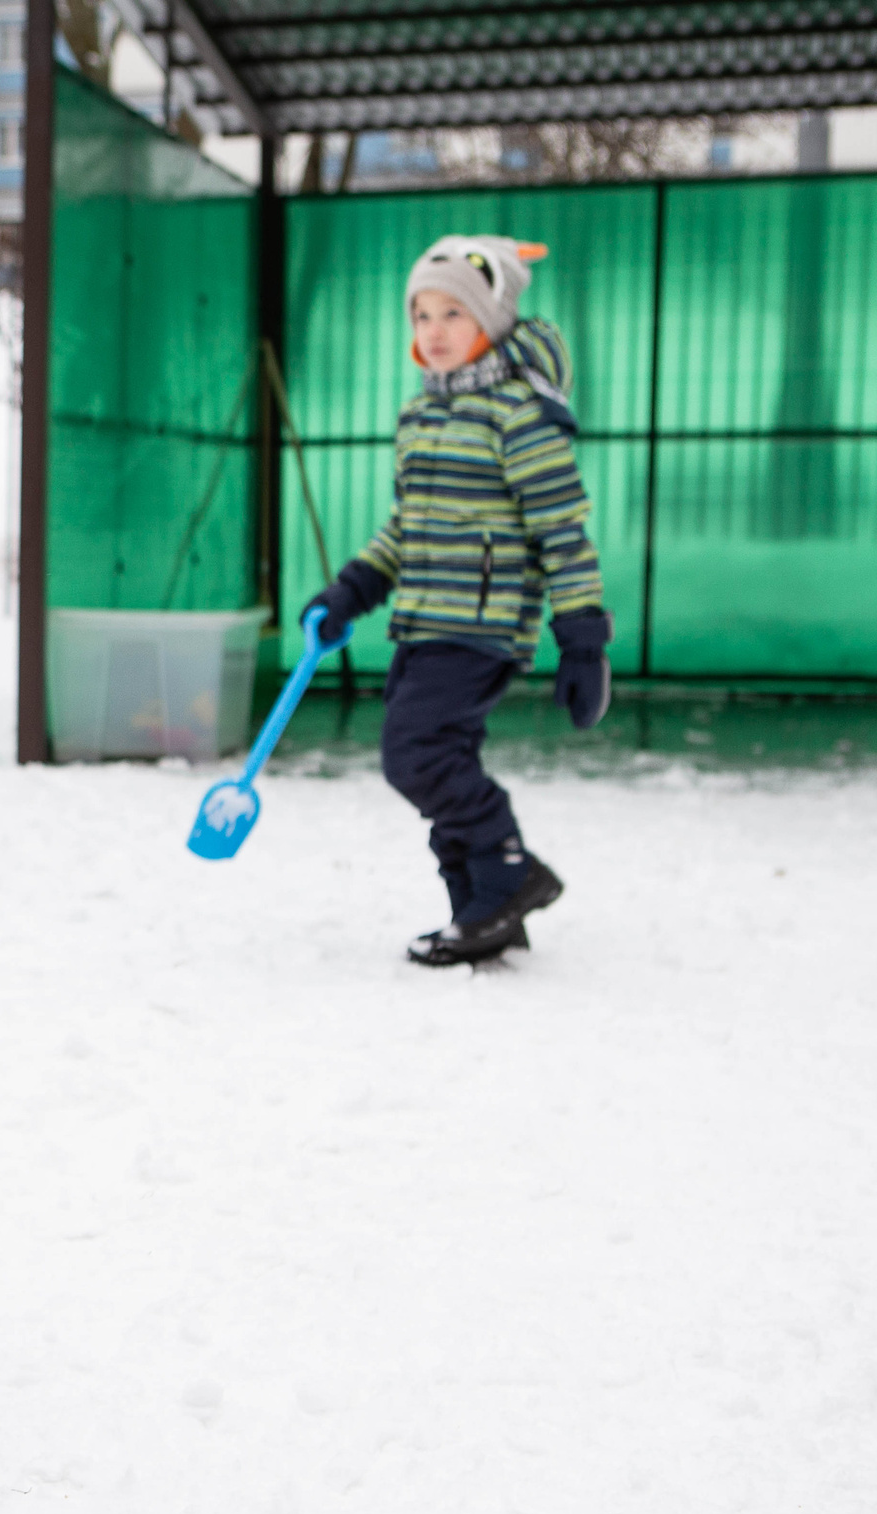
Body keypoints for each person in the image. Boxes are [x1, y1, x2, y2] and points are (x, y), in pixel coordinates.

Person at [306, 234, 615, 967]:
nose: (435, 330)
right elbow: (405, 528)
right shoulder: (420, 416)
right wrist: (351, 591)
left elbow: (561, 529)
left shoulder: (519, 414)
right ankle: (480, 909)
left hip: (483, 625)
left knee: (415, 753)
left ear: (491, 322)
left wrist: (583, 638)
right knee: (439, 755)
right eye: (422, 315)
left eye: (454, 313)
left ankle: (508, 872)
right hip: (423, 622)